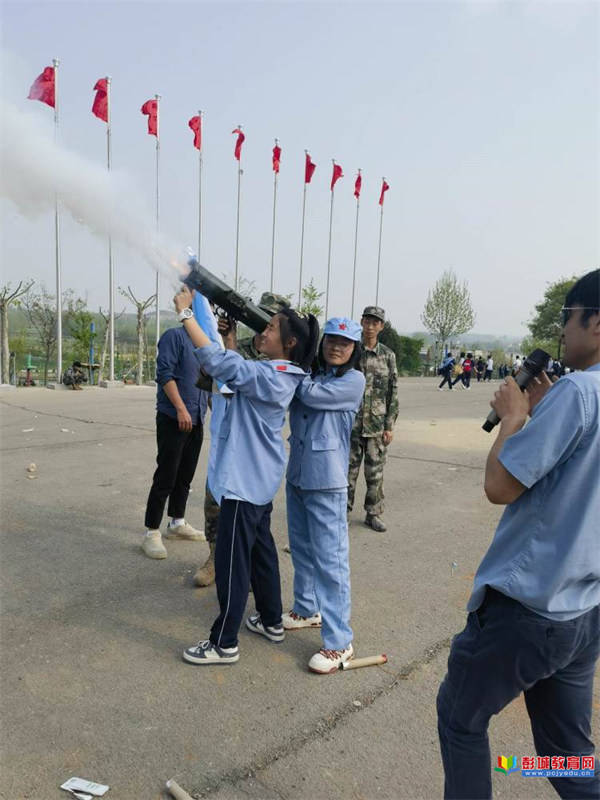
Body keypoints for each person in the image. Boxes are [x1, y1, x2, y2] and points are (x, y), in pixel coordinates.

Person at [437, 269, 600, 800]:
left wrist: (513, 416)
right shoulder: (574, 395)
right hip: (584, 610)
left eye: (567, 319)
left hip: (529, 608)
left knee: (461, 719)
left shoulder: (577, 392)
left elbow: (500, 485)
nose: (562, 333)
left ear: (595, 323)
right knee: (569, 755)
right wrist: (545, 409)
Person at [174, 286, 320, 665]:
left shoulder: (272, 377)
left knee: (232, 564)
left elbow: (221, 366)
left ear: (287, 343)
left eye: (270, 327)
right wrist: (230, 340)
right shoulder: (279, 373)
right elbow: (237, 372)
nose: (264, 331)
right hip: (258, 481)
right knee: (261, 555)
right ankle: (272, 620)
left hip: (242, 483)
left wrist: (187, 315)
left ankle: (224, 642)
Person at [283, 317, 365, 673]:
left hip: (327, 481)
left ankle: (339, 642)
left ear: (354, 350)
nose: (336, 347)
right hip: (299, 473)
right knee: (301, 548)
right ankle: (306, 608)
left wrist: (294, 368)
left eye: (344, 343)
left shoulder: (353, 380)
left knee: (331, 561)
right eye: (331, 340)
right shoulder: (314, 373)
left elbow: (308, 396)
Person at [194, 292, 291, 587]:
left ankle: (245, 563)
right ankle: (215, 556)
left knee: (252, 511)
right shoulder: (242, 345)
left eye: (270, 319)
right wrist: (222, 342)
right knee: (215, 499)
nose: (262, 326)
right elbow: (210, 380)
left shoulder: (280, 354)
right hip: (227, 435)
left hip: (256, 447)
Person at [141, 316, 209, 558]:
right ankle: (151, 532)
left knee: (185, 475)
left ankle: (177, 522)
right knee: (166, 475)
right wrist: (180, 408)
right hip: (174, 417)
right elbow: (165, 374)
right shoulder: (175, 337)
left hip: (197, 418)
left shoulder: (206, 343)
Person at [347, 306, 398, 532]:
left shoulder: (388, 356)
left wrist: (389, 426)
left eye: (375, 323)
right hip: (351, 424)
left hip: (377, 426)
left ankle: (373, 513)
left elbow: (392, 392)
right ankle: (342, 513)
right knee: (346, 473)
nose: (370, 326)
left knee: (375, 473)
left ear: (381, 327)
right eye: (367, 321)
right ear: (361, 322)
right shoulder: (351, 350)